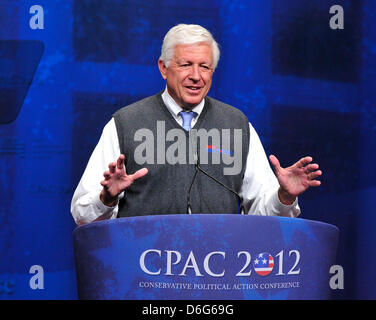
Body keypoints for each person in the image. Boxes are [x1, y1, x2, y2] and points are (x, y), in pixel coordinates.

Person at [71, 24, 322, 226]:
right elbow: (82, 215)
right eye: (185, 65)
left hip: (216, 272)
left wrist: (285, 196)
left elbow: (264, 220)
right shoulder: (125, 123)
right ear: (163, 68)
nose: (196, 76)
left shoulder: (236, 124)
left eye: (204, 66)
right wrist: (107, 198)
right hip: (143, 273)